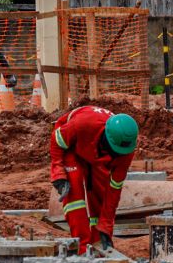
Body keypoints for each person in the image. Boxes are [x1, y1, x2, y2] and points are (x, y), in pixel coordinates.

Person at [50, 105, 139, 254]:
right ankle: (82, 247)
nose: (118, 155)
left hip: (96, 155)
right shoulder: (83, 125)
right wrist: (58, 173)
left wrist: (106, 226)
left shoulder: (125, 153)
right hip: (73, 148)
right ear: (106, 138)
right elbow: (57, 140)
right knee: (74, 194)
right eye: (115, 151)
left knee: (101, 195)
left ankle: (98, 246)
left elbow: (113, 191)